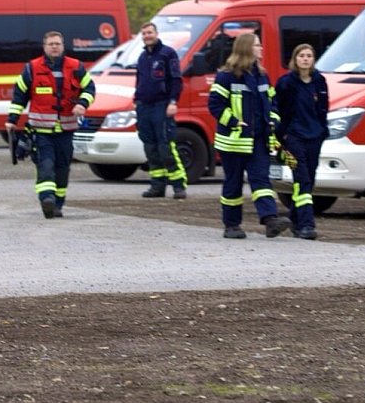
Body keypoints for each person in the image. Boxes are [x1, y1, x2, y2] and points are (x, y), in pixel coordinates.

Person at [207, 33, 292, 239]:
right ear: (246, 48)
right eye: (257, 45)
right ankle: (231, 225)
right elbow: (215, 105)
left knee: (261, 180)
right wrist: (234, 122)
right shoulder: (226, 76)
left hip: (259, 140)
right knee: (233, 183)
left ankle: (270, 220)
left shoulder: (262, 75)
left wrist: (273, 119)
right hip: (234, 142)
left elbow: (272, 103)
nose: (261, 48)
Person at [6, 31, 95, 219]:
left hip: (66, 129)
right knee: (45, 165)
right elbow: (19, 96)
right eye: (51, 44)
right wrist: (12, 120)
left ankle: (58, 203)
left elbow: (90, 88)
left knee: (63, 168)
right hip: (41, 130)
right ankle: (46, 199)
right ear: (44, 47)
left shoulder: (76, 67)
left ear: (63, 46)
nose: (54, 47)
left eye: (57, 43)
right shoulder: (32, 68)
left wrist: (82, 103)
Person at [274, 44, 329, 240]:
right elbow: (277, 108)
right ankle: (307, 225)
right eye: (302, 55)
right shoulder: (286, 83)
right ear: (295, 59)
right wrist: (283, 135)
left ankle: (295, 221)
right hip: (294, 137)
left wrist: (322, 131)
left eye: (309, 56)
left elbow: (323, 108)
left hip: (314, 136)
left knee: (309, 179)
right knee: (302, 178)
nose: (305, 59)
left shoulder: (319, 82)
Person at [134, 22, 188, 199]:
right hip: (144, 107)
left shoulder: (167, 54)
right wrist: (137, 101)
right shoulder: (143, 57)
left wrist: (173, 102)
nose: (147, 36)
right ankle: (157, 186)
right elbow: (139, 81)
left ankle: (179, 186)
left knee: (166, 147)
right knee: (150, 148)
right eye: (144, 33)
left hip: (162, 105)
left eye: (149, 32)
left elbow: (176, 80)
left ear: (156, 33)